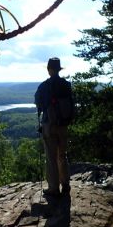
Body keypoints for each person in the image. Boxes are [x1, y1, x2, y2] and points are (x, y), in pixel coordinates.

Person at [34, 57, 72, 197]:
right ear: (59, 69)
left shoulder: (44, 86)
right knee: (62, 155)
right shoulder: (66, 85)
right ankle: (66, 184)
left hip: (49, 125)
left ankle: (53, 188)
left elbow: (37, 102)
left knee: (51, 157)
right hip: (63, 125)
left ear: (49, 69)